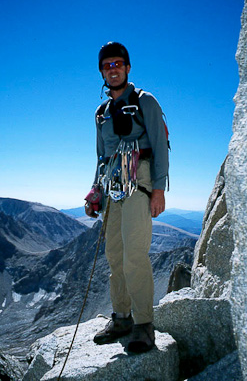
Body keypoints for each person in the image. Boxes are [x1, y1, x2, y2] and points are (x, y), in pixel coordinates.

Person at [85, 42, 169, 353]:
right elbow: (101, 157)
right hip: (112, 188)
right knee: (115, 256)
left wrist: (158, 190)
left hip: (140, 184)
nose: (113, 68)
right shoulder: (101, 113)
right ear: (102, 72)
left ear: (128, 67)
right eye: (107, 65)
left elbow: (160, 146)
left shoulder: (145, 102)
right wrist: (96, 190)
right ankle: (121, 317)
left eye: (118, 63)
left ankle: (144, 325)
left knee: (135, 255)